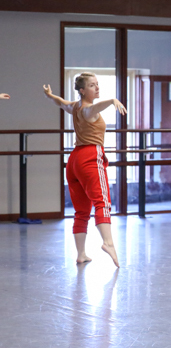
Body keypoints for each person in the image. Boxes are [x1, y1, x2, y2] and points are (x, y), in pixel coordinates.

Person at [44, 73, 126, 267]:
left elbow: (60, 102)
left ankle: (81, 254)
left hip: (74, 161)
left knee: (81, 210)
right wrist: (112, 100)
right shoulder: (89, 109)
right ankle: (107, 242)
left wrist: (49, 95)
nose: (96, 88)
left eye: (97, 84)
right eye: (91, 85)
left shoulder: (75, 106)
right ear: (82, 90)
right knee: (102, 201)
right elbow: (94, 109)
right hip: (89, 157)